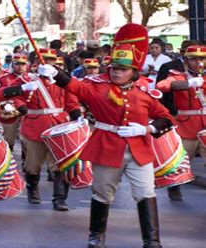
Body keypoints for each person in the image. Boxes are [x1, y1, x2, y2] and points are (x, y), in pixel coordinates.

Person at [43, 24, 174, 248]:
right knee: (103, 194)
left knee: (146, 193)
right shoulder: (97, 88)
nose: (116, 72)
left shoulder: (144, 92)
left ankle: (152, 241)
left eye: (122, 69)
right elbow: (76, 87)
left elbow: (166, 119)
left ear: (133, 71)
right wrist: (56, 74)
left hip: (138, 149)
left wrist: (145, 129)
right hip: (107, 147)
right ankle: (96, 237)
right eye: (114, 68)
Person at [0, 47, 81, 211]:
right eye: (44, 60)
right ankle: (32, 190)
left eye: (50, 60)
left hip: (59, 126)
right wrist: (22, 93)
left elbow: (71, 101)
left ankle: (59, 199)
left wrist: (77, 117)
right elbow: (3, 95)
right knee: (32, 164)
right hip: (35, 125)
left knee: (60, 164)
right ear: (35, 63)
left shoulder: (63, 79)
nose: (47, 63)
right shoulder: (26, 79)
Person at [156, 45, 206, 200]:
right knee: (180, 161)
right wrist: (187, 84)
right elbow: (162, 86)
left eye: (202, 58)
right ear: (186, 60)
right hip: (186, 125)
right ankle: (174, 187)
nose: (198, 62)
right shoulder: (179, 76)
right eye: (194, 59)